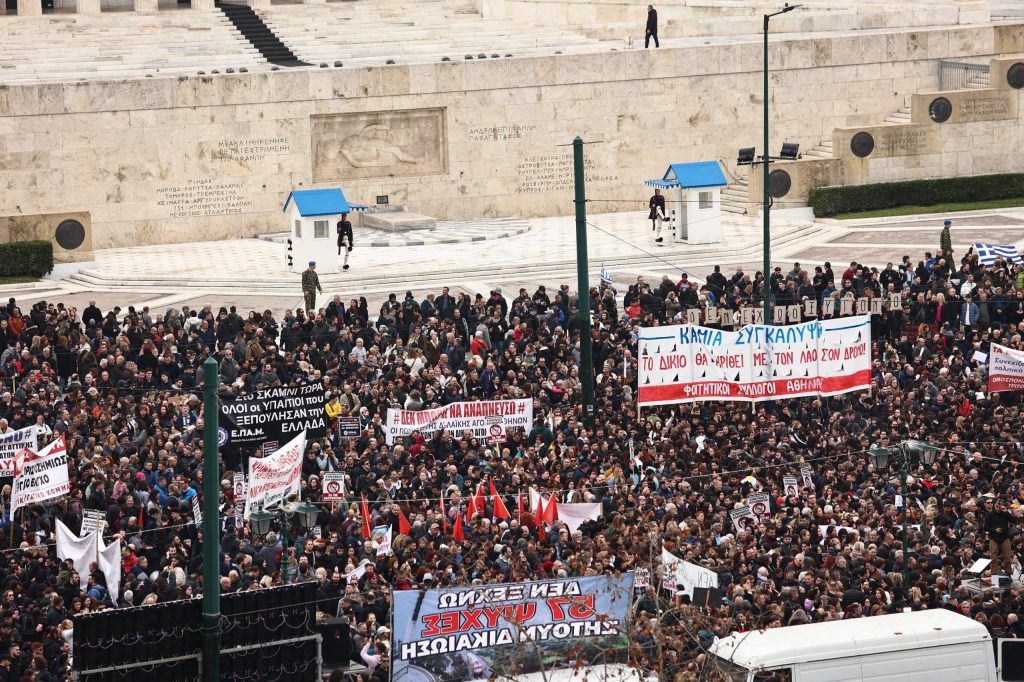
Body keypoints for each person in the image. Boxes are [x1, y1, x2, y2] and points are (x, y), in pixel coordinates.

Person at [983, 495, 1014, 577]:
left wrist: (1006, 511)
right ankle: (994, 574)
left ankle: (1008, 573)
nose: (997, 508)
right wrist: (994, 530)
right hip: (994, 537)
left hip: (1004, 537)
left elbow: (1013, 520)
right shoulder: (989, 515)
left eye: (999, 507)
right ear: (994, 505)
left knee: (1007, 557)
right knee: (993, 557)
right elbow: (986, 527)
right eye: (996, 506)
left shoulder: (1005, 514)